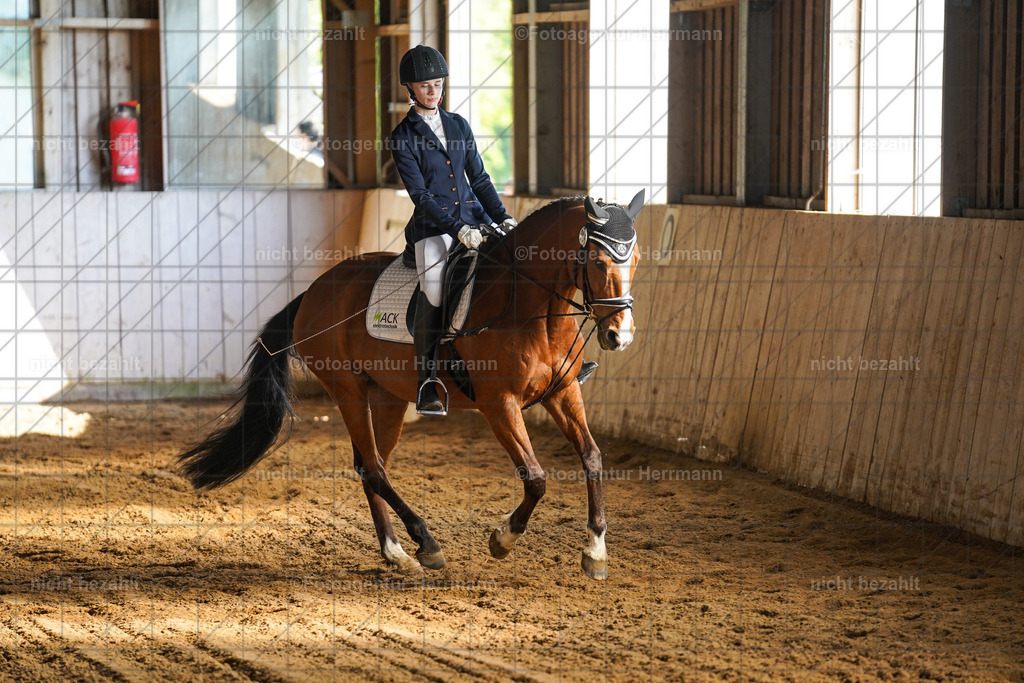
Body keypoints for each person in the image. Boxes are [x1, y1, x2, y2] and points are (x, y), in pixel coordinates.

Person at [390, 45, 595, 416]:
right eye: (424, 86)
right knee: (434, 287)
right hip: (432, 230)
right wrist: (457, 229)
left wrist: (503, 219)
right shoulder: (403, 136)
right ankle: (426, 381)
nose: (433, 92)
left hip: (477, 218)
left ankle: (565, 361)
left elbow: (480, 179)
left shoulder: (458, 125)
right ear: (411, 89)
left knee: (526, 269)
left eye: (437, 84)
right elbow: (419, 194)